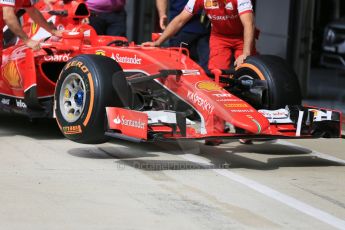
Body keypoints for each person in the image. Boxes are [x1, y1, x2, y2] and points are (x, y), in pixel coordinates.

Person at [144, 0, 257, 70]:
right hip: (219, 37)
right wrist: (158, 42)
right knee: (217, 73)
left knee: (246, 69)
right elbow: (179, 20)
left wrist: (246, 52)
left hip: (242, 37)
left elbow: (249, 24)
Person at [156, 0, 210, 72]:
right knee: (177, 70)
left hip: (204, 27)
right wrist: (162, 14)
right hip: (180, 27)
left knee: (208, 71)